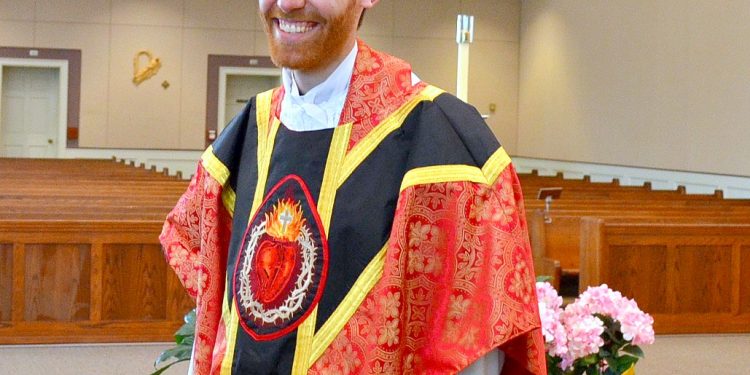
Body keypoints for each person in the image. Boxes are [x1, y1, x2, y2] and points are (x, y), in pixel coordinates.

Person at [160, 0, 546, 374]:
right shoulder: (245, 134)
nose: (289, 3)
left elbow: (467, 351)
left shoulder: (441, 145)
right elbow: (214, 331)